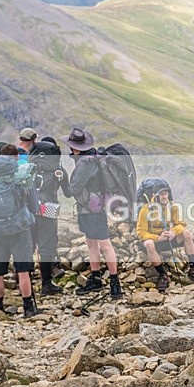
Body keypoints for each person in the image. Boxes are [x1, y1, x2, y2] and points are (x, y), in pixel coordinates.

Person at [0, 145, 42, 317]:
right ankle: (29, 308)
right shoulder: (18, 175)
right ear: (14, 157)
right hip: (18, 228)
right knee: (23, 269)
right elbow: (33, 203)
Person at [61, 127, 123, 299]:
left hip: (92, 210)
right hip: (92, 208)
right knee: (91, 242)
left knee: (104, 244)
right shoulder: (92, 157)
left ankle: (114, 282)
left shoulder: (85, 163)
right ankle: (97, 278)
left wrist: (62, 178)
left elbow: (73, 190)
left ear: (75, 147)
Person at [136, 184, 194, 291]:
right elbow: (141, 232)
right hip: (155, 242)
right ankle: (163, 275)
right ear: (154, 195)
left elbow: (181, 224)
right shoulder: (146, 210)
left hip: (168, 239)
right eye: (161, 194)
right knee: (148, 243)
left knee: (186, 233)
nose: (164, 197)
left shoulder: (172, 206)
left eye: (166, 194)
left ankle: (193, 269)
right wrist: (157, 238)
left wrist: (173, 231)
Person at [29, 137, 72, 296]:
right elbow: (68, 193)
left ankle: (24, 282)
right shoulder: (58, 169)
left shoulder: (28, 167)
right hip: (48, 212)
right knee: (47, 247)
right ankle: (46, 284)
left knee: (29, 245)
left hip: (30, 210)